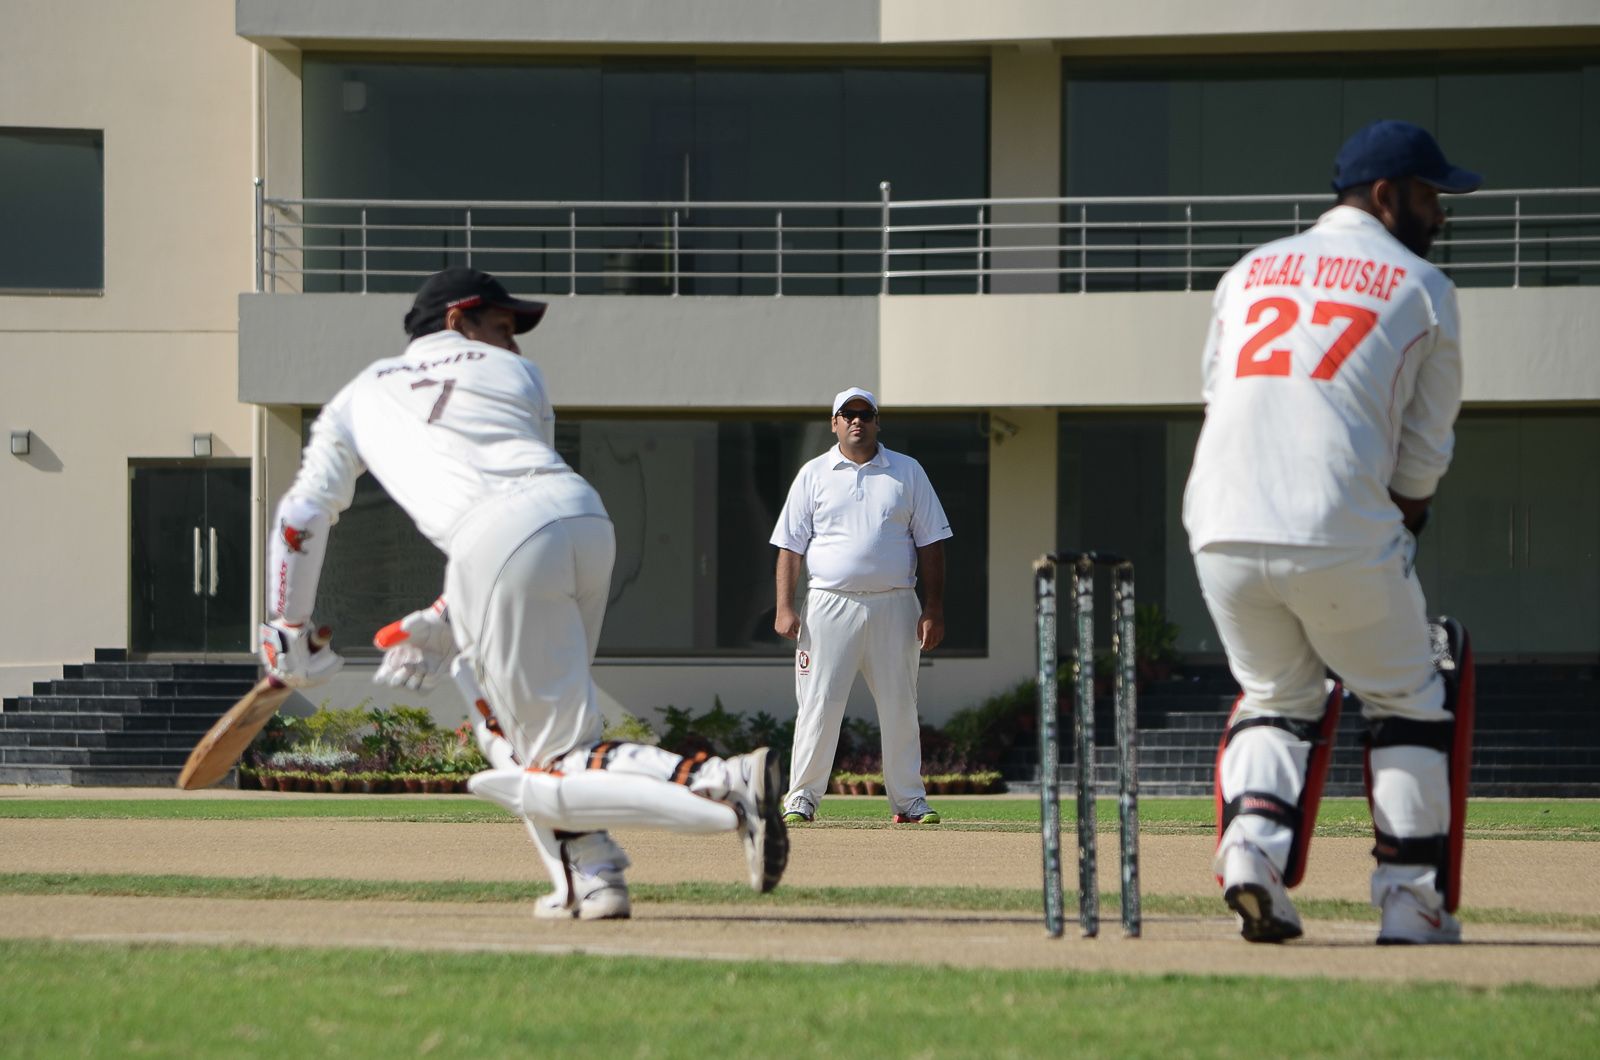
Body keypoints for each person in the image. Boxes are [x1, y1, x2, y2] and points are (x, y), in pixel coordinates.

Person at [259, 266, 788, 920]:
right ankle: (592, 878)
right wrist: (450, 614)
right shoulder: (520, 374)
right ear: (457, 319)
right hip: (582, 521)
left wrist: (288, 628)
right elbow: (518, 491)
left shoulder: (357, 395)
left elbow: (302, 517)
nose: (512, 343)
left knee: (542, 757)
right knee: (553, 737)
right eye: (504, 326)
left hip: (497, 543)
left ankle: (722, 782)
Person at [1183, 120, 1482, 944]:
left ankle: (1250, 851)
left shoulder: (1247, 271)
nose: (1440, 215)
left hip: (1219, 520)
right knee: (1407, 697)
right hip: (1336, 519)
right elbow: (1422, 459)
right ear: (1386, 196)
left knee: (1276, 698)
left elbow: (1220, 395)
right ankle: (1411, 900)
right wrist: (1398, 528)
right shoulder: (1425, 285)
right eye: (1430, 196)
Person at [770, 387, 952, 825]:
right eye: (847, 414)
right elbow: (790, 547)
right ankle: (801, 798)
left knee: (900, 706)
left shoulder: (907, 471)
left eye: (865, 414)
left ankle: (909, 801)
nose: (857, 421)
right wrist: (784, 606)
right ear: (834, 423)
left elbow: (931, 543)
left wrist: (934, 608)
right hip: (828, 603)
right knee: (819, 704)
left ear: (876, 422)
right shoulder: (813, 474)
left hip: (896, 604)